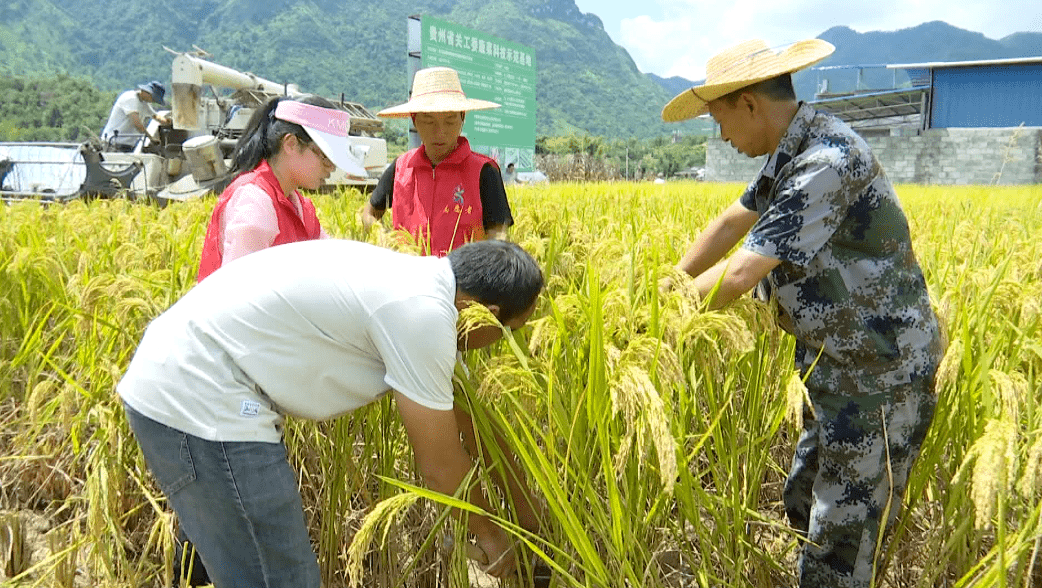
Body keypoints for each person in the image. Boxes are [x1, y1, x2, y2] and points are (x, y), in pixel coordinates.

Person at [660, 39, 944, 588]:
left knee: (841, 543)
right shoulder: (791, 151)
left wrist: (657, 322)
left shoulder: (826, 161)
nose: (721, 135)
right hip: (832, 363)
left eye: (720, 119)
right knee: (802, 498)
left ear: (748, 104)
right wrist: (667, 289)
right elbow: (730, 221)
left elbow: (742, 274)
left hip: (878, 375)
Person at [118, 238, 544, 588]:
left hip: (186, 382)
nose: (501, 344)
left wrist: (533, 525)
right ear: (484, 314)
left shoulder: (420, 288)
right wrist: (490, 533)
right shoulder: (423, 315)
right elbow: (439, 463)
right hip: (203, 397)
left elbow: (474, 430)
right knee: (282, 579)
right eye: (507, 332)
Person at [196, 95, 367, 282]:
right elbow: (241, 291)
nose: (331, 168)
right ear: (291, 144)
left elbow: (330, 257)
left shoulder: (298, 205)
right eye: (325, 156)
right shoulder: (254, 202)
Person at [361, 66, 513, 256]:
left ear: (462, 118)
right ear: (415, 121)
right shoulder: (401, 167)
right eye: (429, 121)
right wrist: (384, 241)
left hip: (460, 281)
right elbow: (369, 213)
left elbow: (497, 233)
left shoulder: (484, 170)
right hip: (408, 277)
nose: (440, 132)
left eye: (450, 121)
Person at [100, 81, 172, 152]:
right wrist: (151, 138)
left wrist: (168, 121)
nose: (153, 101)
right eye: (153, 98)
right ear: (148, 93)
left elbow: (156, 116)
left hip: (127, 145)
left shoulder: (144, 103)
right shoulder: (130, 98)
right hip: (114, 143)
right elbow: (137, 123)